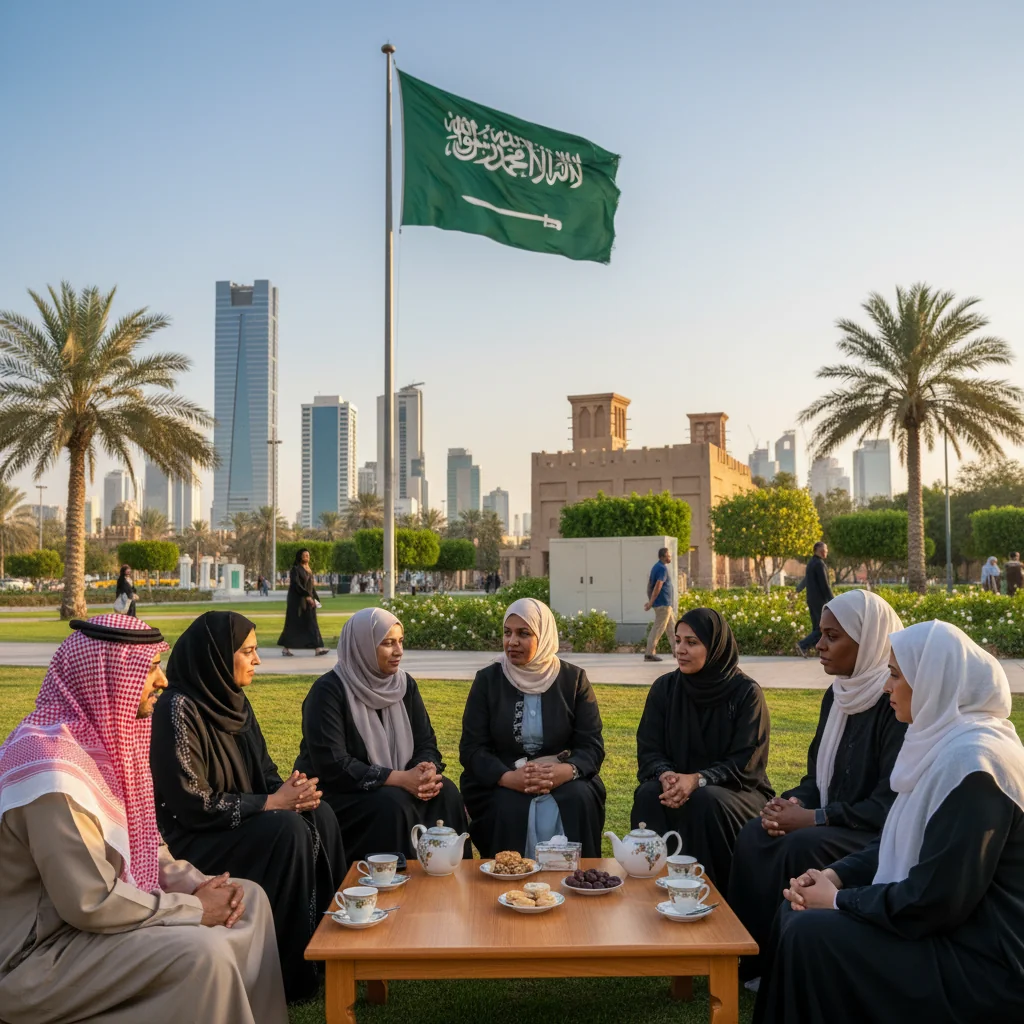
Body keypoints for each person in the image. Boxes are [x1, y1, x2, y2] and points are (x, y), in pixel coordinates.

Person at [0, 613, 286, 1024]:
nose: (163, 680)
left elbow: (145, 845)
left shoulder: (105, 746)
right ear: (108, 676)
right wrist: (194, 908)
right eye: (150, 668)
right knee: (203, 954)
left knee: (249, 899)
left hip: (92, 929)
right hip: (40, 957)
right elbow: (90, 901)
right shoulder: (52, 770)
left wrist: (197, 884)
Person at [754, 618, 1024, 1023]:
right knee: (796, 909)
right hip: (945, 929)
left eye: (895, 675)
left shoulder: (976, 767)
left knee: (812, 933)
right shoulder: (944, 743)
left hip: (982, 961)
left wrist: (839, 901)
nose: (886, 687)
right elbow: (898, 837)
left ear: (934, 682)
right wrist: (834, 876)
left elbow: (936, 901)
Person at [150, 612, 345, 1003]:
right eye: (247, 651)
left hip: (238, 821)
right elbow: (194, 803)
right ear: (218, 656)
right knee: (287, 831)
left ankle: (333, 948)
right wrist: (273, 803)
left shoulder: (234, 702)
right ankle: (290, 971)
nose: (257, 660)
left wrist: (294, 793)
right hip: (196, 837)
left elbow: (266, 774)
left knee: (318, 813)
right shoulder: (176, 710)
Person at [728, 589, 907, 986]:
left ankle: (782, 964)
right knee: (756, 833)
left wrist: (814, 818)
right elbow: (817, 777)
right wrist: (793, 803)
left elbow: (887, 804)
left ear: (868, 641)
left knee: (799, 846)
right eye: (821, 634)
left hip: (872, 832)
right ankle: (746, 958)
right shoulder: (838, 694)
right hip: (832, 820)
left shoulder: (895, 701)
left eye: (832, 636)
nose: (820, 645)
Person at [294, 607, 467, 862]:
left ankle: (449, 874)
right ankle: (395, 879)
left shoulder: (404, 685)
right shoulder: (328, 691)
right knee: (393, 803)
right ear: (362, 646)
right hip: (341, 792)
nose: (398, 651)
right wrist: (399, 779)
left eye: (400, 641)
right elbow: (334, 764)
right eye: (387, 643)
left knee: (446, 792)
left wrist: (425, 769)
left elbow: (426, 741)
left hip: (397, 784)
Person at [631, 608, 772, 890]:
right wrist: (665, 775)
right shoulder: (665, 689)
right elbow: (649, 748)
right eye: (678, 640)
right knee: (649, 794)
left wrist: (698, 779)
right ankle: (650, 887)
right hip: (677, 784)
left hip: (737, 790)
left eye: (692, 642)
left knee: (704, 800)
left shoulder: (746, 693)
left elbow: (746, 760)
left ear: (715, 646)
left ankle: (707, 893)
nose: (680, 650)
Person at [460, 598, 607, 857]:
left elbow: (591, 745)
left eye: (524, 633)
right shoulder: (488, 680)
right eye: (507, 633)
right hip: (503, 777)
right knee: (506, 805)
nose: (512, 641)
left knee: (578, 798)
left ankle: (575, 877)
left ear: (544, 636)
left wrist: (565, 772)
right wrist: (508, 778)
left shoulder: (573, 679)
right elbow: (472, 748)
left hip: (563, 776)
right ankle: (508, 878)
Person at [278, 548, 328, 656]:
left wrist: (315, 599)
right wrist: (306, 596)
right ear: (300, 556)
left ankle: (318, 648)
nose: (307, 557)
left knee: (312, 622)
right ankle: (286, 649)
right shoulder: (295, 569)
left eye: (308, 555)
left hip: (308, 600)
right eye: (305, 555)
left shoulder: (308, 570)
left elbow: (311, 587)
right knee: (294, 624)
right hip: (297, 601)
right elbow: (296, 585)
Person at [795, 541, 833, 655]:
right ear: (819, 551)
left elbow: (806, 579)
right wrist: (832, 600)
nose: (826, 551)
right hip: (819, 601)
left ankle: (817, 650)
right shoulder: (819, 564)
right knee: (821, 628)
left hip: (811, 599)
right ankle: (803, 644)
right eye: (825, 550)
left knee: (817, 626)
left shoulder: (811, 563)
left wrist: (798, 589)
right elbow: (824, 584)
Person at [643, 547, 675, 662]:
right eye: (668, 556)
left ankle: (677, 651)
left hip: (665, 604)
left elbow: (649, 585)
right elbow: (658, 586)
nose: (670, 557)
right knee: (658, 628)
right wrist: (651, 603)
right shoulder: (662, 568)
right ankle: (649, 653)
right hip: (663, 604)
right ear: (662, 557)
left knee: (672, 629)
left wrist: (650, 601)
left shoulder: (657, 567)